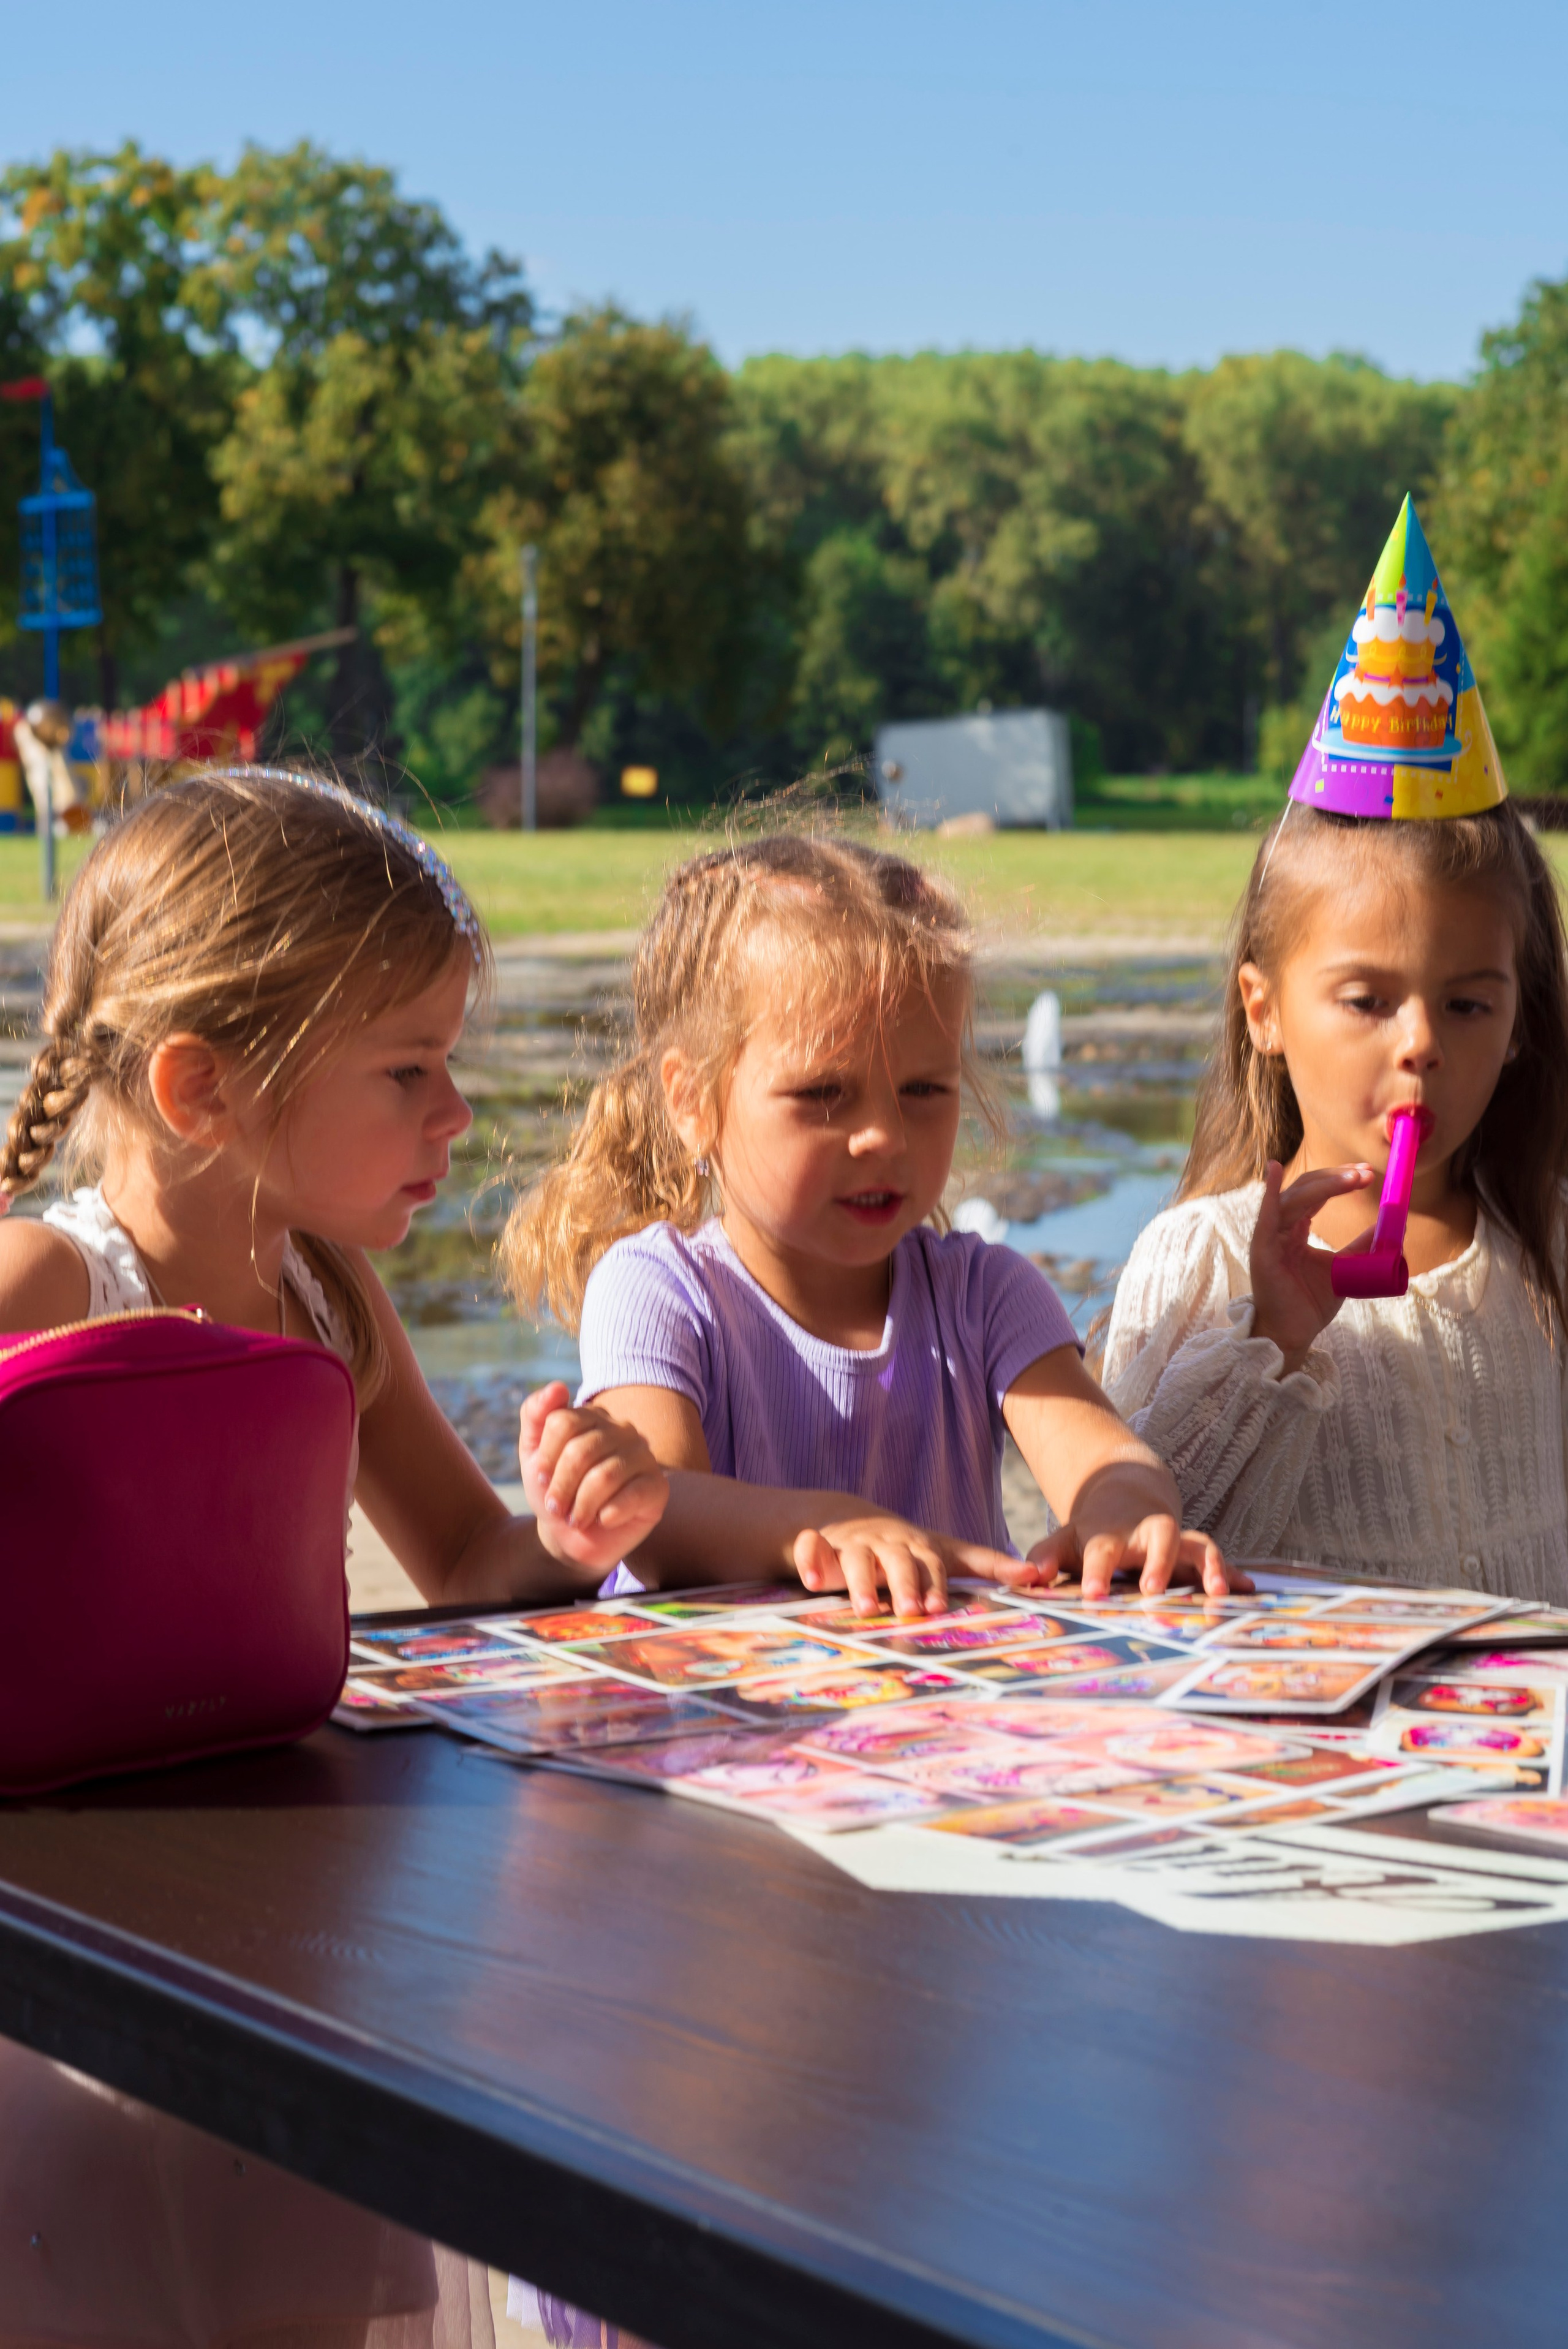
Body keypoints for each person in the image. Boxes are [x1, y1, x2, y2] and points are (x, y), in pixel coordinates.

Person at [0, 765, 669, 2349]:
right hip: (71, 1961)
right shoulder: (45, 1282)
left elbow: (462, 1557)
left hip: (297, 1939)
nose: (454, 1112)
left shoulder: (333, 1300)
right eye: (408, 1067)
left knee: (292, 2300)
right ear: (203, 1085)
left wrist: (575, 1538)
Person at [507, 829, 1229, 1619]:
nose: (883, 1135)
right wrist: (821, 1528)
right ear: (692, 1101)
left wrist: (1123, 1515)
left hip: (940, 1718)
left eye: (923, 1089)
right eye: (824, 1093)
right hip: (731, 1717)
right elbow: (660, 1517)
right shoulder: (659, 1291)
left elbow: (1106, 1458)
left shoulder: (984, 1294)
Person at [1103, 496, 1568, 1602]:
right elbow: (1145, 1560)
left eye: (1468, 1006)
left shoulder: (1548, 1246)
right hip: (1317, 1765)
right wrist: (1271, 1339)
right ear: (1263, 1011)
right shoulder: (1197, 1263)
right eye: (1366, 1001)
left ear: (1520, 1021)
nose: (1420, 1046)